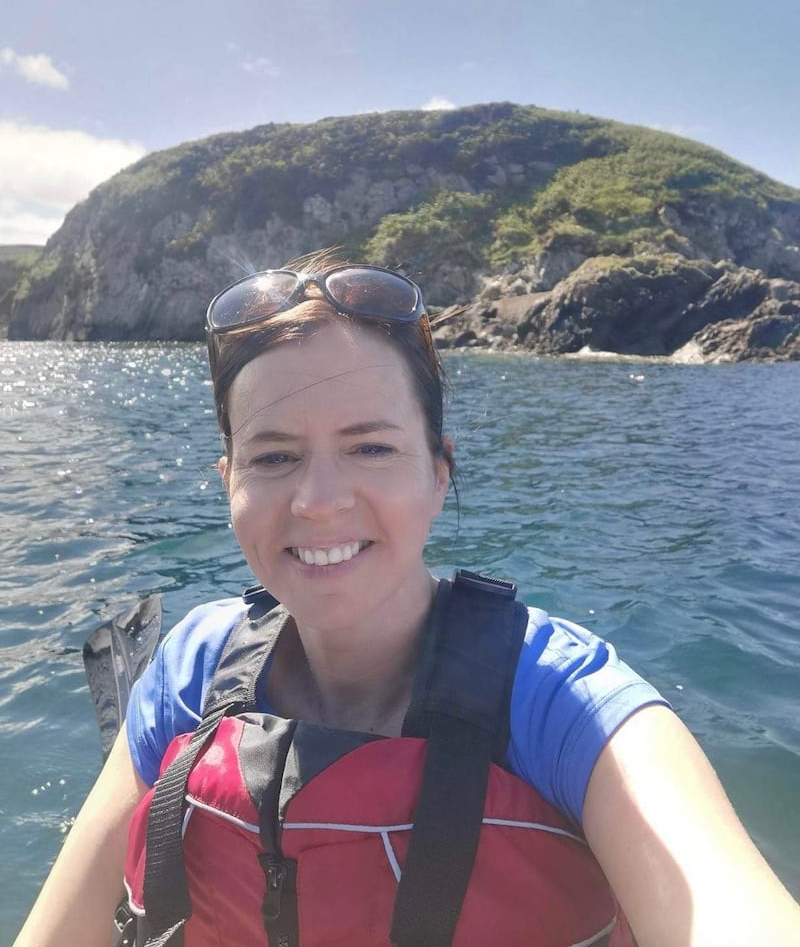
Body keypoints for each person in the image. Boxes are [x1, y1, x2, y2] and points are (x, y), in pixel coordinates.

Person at [15, 250, 800, 947]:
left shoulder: (562, 702)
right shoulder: (186, 674)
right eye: (274, 456)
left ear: (439, 472)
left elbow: (723, 904)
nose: (319, 501)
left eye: (372, 447)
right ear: (229, 486)